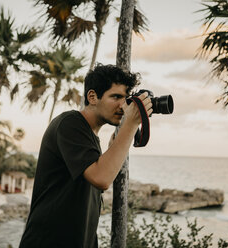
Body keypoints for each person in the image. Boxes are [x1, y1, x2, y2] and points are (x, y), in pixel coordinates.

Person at [19, 64, 152, 248]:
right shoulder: (69, 123)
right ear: (92, 97)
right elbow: (101, 178)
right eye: (116, 97)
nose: (123, 105)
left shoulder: (90, 138)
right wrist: (131, 124)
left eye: (126, 99)